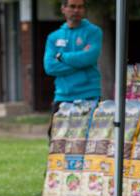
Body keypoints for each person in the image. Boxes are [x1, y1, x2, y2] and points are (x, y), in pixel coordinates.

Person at [43, 0, 102, 138]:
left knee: (88, 141)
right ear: (63, 8)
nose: (76, 10)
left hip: (89, 95)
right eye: (72, 6)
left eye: (80, 7)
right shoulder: (53, 37)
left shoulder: (94, 32)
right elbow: (50, 67)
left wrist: (62, 56)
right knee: (57, 141)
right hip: (63, 96)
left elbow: (89, 58)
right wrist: (79, 61)